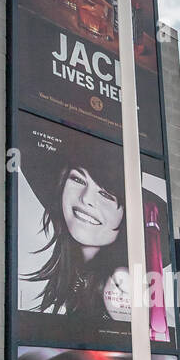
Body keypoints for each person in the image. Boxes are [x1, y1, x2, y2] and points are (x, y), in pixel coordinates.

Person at [22, 136, 129, 322]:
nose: (86, 198)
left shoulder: (121, 280)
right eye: (78, 180)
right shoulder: (74, 273)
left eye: (105, 194)